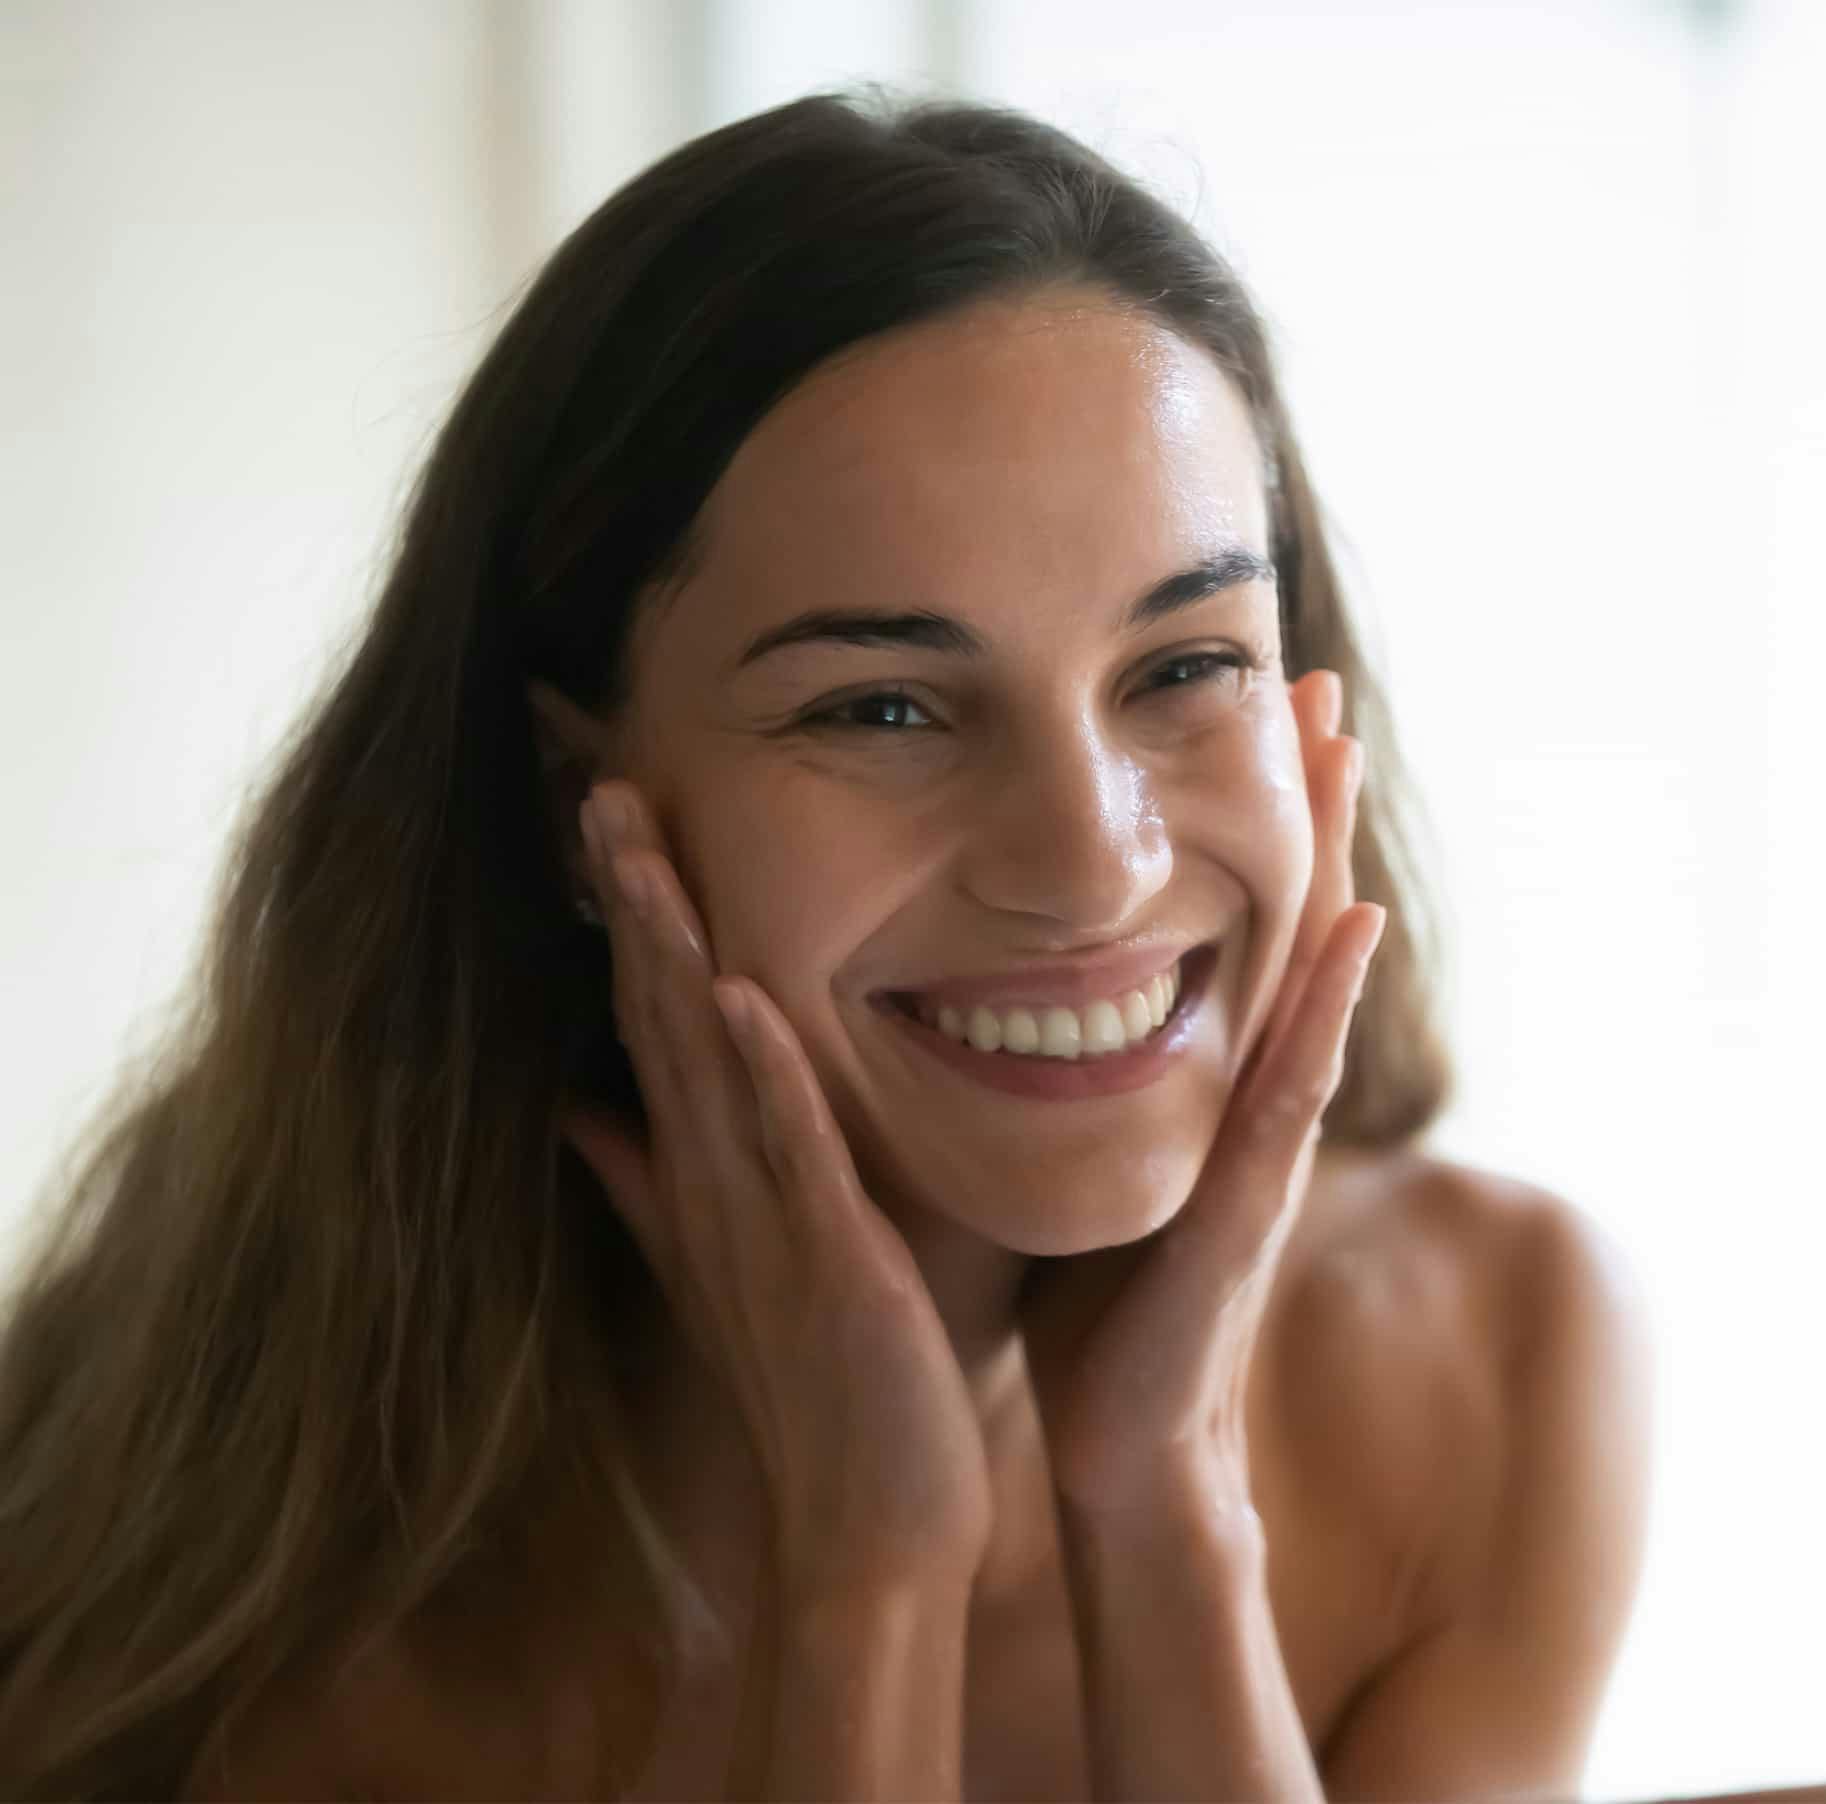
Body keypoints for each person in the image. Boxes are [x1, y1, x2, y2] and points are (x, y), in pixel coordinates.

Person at [0, 88, 1654, 1799]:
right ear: (585, 802)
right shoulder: (302, 1602)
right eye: (881, 705)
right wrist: (867, 1580)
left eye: (1183, 666)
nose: (1091, 866)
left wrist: (1162, 1499)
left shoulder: (1499, 1356)